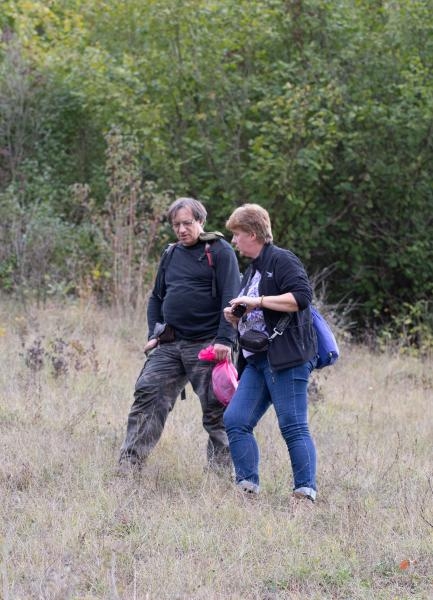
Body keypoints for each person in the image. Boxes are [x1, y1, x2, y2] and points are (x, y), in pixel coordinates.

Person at [118, 197, 240, 473]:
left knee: (216, 411)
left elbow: (233, 300)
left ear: (201, 221)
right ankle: (128, 469)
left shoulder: (220, 252)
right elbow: (156, 298)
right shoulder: (170, 253)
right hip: (170, 343)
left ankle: (221, 477)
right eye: (177, 225)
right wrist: (154, 333)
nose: (182, 229)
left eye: (187, 223)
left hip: (209, 344)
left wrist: (224, 340)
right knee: (147, 393)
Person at [223, 203, 318, 504]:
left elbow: (301, 298)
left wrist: (258, 301)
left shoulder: (282, 259)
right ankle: (247, 487)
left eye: (237, 235)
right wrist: (236, 316)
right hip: (257, 360)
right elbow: (254, 312)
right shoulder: (253, 269)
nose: (234, 241)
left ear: (252, 233)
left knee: (292, 425)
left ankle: (305, 494)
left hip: (287, 359)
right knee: (235, 419)